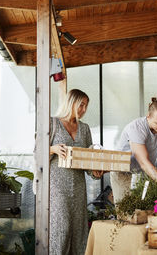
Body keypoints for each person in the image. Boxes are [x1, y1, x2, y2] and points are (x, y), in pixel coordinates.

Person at [48, 89, 103, 255]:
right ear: (71, 103)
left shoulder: (84, 129)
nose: (84, 110)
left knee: (79, 231)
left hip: (78, 186)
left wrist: (95, 172)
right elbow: (37, 153)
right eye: (81, 105)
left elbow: (88, 161)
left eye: (86, 106)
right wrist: (52, 149)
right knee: (61, 229)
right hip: (56, 185)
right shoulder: (52, 123)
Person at [110, 99, 157, 204]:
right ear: (148, 117)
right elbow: (143, 162)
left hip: (144, 173)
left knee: (147, 209)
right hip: (123, 172)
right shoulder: (136, 128)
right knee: (126, 211)